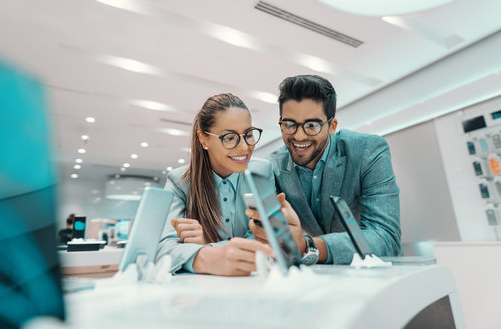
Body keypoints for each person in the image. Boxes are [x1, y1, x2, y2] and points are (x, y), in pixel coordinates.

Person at [247, 74, 402, 265]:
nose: (299, 135)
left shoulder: (368, 151)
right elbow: (258, 235)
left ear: (332, 126)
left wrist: (308, 245)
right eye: (289, 124)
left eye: (311, 125)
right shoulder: (274, 167)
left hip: (377, 273)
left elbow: (386, 236)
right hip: (319, 279)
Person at [156, 93, 273, 276]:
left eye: (248, 135)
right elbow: (162, 248)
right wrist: (209, 257)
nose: (244, 147)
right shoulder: (179, 182)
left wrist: (207, 247)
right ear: (203, 139)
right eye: (229, 137)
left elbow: (264, 238)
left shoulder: (263, 172)